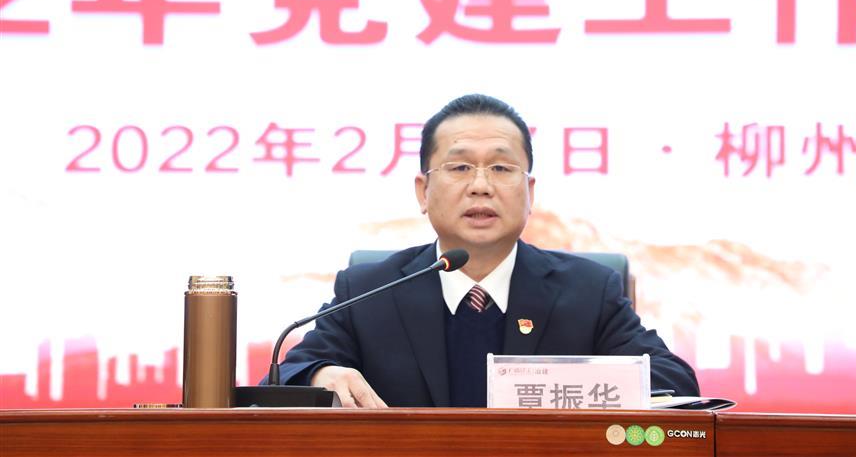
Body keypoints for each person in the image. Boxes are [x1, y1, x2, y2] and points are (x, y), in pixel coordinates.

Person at [275, 94, 699, 408]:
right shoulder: (370, 290)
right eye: (460, 167)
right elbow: (284, 378)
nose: (481, 185)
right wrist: (320, 374)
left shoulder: (587, 292)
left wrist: (569, 387)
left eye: (500, 167)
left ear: (529, 192)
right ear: (423, 191)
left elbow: (674, 382)